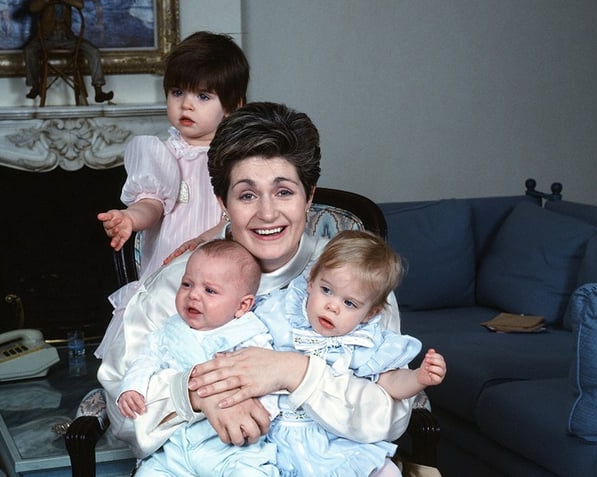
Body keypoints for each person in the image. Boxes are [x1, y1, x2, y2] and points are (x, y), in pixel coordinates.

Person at [98, 102, 442, 463]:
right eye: (247, 194)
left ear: (308, 196)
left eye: (284, 192)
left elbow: (390, 417)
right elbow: (121, 415)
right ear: (223, 203)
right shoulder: (176, 286)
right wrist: (198, 395)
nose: (267, 213)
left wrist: (293, 371)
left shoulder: (355, 283)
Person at [94, 31, 250, 358]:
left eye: (203, 96)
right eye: (178, 92)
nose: (186, 104)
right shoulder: (160, 153)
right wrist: (129, 219)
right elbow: (151, 203)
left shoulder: (238, 159)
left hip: (221, 265)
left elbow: (241, 215)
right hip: (170, 271)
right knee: (161, 347)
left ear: (232, 107)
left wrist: (214, 235)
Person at [254, 230, 447, 476]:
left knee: (385, 471)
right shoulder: (280, 312)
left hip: (336, 439)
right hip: (276, 434)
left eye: (349, 303)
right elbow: (247, 345)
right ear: (311, 280)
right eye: (326, 290)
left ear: (370, 314)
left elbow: (389, 384)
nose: (332, 306)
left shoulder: (365, 342)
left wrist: (418, 378)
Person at [119, 239, 280, 476]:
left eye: (210, 290)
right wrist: (132, 388)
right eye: (186, 284)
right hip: (175, 449)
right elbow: (145, 359)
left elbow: (269, 380)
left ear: (242, 306)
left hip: (232, 449)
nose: (193, 295)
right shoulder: (168, 330)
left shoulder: (250, 335)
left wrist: (259, 414)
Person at [23, 0, 114, 103]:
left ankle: (98, 91)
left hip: (67, 38)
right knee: (29, 50)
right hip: (46, 38)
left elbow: (80, 4)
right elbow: (33, 8)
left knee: (93, 51)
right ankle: (35, 86)